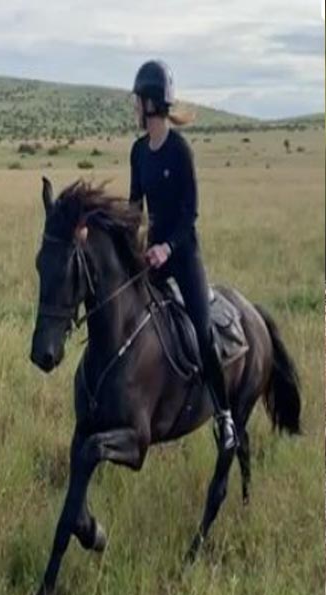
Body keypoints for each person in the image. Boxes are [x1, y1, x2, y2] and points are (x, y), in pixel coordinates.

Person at [129, 60, 236, 452]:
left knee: (203, 333)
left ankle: (223, 417)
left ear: (152, 104)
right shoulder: (139, 152)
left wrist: (166, 247)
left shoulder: (179, 151)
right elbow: (133, 208)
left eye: (137, 101)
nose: (134, 108)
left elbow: (190, 216)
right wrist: (122, 239)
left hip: (182, 254)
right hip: (151, 256)